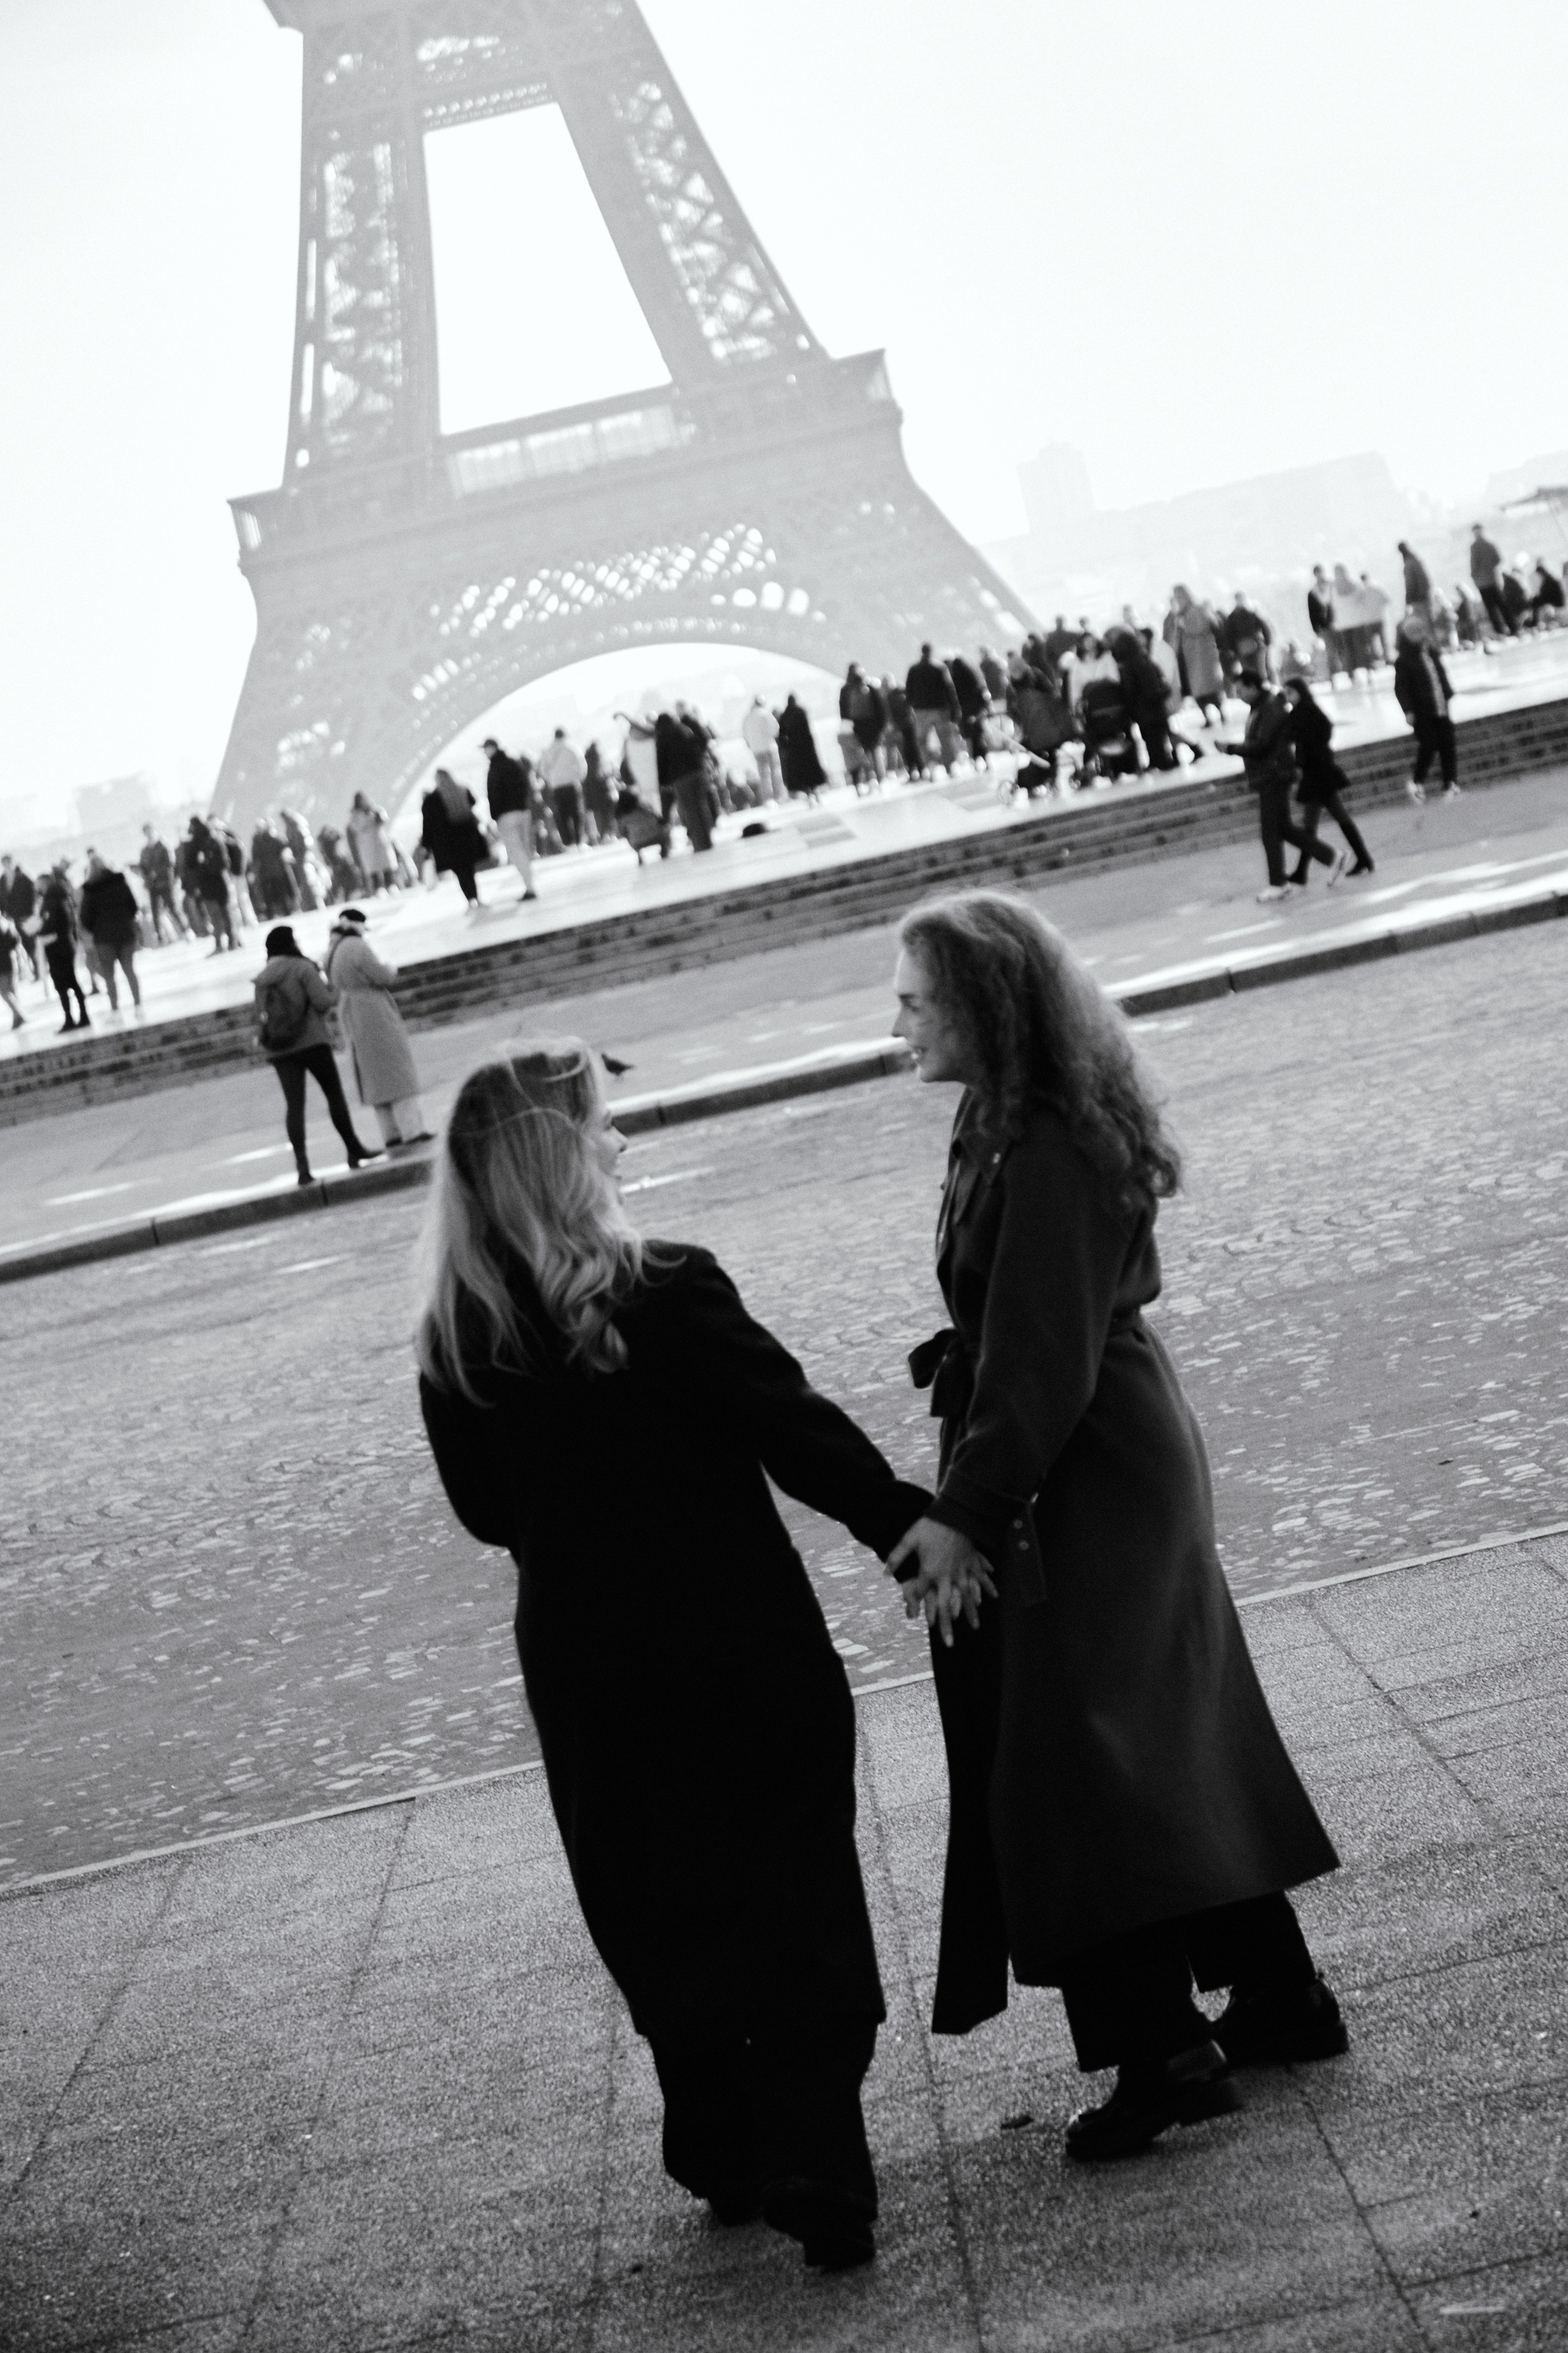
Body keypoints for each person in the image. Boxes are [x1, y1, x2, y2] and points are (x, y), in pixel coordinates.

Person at [416, 1043, 928, 2268]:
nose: (619, 1143)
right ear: (559, 1155)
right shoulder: (668, 1286)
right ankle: (817, 2152)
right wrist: (902, 1525)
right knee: (790, 1882)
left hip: (592, 1669)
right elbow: (787, 1426)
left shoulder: (453, 1341)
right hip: (739, 1642)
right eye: (601, 1126)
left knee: (658, 1899)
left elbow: (486, 1513)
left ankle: (722, 2146)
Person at [884, 892, 1345, 2162]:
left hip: (1079, 1472)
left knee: (1071, 1755)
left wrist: (961, 1517)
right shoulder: (1004, 1121)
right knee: (1150, 1722)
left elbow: (1035, 1362)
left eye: (915, 1000)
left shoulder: (1039, 1146)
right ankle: (1276, 1994)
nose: (896, 1024)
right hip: (1089, 1453)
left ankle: (1160, 2047)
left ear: (983, 1004)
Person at [254, 924, 380, 1182]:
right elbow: (324, 1002)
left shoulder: (263, 978)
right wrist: (332, 988)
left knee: (294, 1106)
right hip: (312, 1042)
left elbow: (261, 1015)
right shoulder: (302, 968)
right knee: (334, 1094)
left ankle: (303, 1167)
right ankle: (353, 1149)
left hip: (280, 1050)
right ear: (290, 943)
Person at [1221, 671, 1339, 901]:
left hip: (1274, 775)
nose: (1239, 696)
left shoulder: (1269, 708)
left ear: (1254, 687)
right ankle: (1331, 857)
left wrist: (1231, 749)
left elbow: (1263, 745)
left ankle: (1278, 883)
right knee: (1283, 828)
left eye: (1241, 690)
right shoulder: (1261, 707)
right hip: (1270, 774)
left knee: (1270, 831)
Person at [323, 908, 431, 1149]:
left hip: (350, 1011)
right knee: (396, 1068)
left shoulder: (331, 951)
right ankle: (413, 1130)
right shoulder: (357, 947)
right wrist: (390, 969)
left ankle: (390, 1134)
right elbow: (381, 975)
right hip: (372, 1010)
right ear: (355, 925)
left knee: (372, 1075)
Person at [1283, 680, 1373, 880]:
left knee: (1320, 823)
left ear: (1299, 692)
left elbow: (1290, 736)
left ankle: (1363, 859)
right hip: (1321, 772)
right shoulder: (1311, 709)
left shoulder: (1300, 713)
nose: (1288, 697)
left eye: (1290, 693)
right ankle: (1363, 859)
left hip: (1316, 775)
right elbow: (1325, 730)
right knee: (1319, 823)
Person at [1393, 614, 1459, 802]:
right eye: (1413, 632)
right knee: (1429, 745)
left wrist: (1447, 693)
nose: (1419, 634)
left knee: (1448, 745)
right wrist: (1408, 711)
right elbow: (1401, 688)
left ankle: (1450, 784)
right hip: (1422, 711)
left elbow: (1440, 674)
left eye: (1420, 630)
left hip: (1440, 706)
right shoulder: (1404, 660)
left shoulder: (1431, 652)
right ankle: (1417, 781)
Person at [77, 853, 144, 1013]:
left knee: (109, 975)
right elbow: (133, 907)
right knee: (129, 970)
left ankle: (115, 1007)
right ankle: (138, 1003)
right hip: (125, 933)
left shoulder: (90, 891)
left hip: (104, 937)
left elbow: (85, 918)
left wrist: (96, 929)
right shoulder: (121, 883)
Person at [421, 768, 489, 910]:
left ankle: (471, 900)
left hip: (449, 843)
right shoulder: (462, 790)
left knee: (461, 872)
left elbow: (429, 824)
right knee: (470, 870)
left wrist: (426, 845)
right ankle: (476, 897)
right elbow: (473, 803)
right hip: (468, 838)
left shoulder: (433, 799)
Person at [481, 738, 538, 898]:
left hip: (507, 815)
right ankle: (530, 884)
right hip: (523, 811)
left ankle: (530, 887)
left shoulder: (495, 768)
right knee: (525, 849)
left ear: (491, 749)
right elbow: (526, 784)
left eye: (486, 749)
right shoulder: (513, 763)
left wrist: (496, 815)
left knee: (515, 852)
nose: (485, 753)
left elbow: (494, 794)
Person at [1112, 632, 1177, 771]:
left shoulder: (1128, 666)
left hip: (1144, 709)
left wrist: (1130, 707)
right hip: (1156, 705)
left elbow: (1130, 690)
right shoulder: (1144, 660)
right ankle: (1162, 759)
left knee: (1150, 737)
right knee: (1159, 736)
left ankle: (1160, 761)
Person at [1163, 587, 1226, 728]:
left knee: (1211, 689)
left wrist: (1185, 625)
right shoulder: (1178, 614)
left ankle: (1221, 713)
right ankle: (1206, 717)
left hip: (1205, 655)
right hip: (1191, 657)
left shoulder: (1199, 609)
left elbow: (1203, 627)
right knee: (1197, 691)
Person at [37, 863, 89, 1032]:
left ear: (45, 884)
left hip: (57, 947)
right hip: (66, 944)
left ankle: (72, 1017)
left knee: (64, 983)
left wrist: (39, 928)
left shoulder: (51, 901)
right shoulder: (63, 898)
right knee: (71, 981)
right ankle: (81, 1015)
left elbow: (52, 924)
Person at [654, 710, 714, 850]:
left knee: (690, 812)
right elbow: (702, 742)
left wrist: (663, 782)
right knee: (702, 807)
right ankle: (708, 839)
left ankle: (700, 844)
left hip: (681, 779)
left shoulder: (662, 737)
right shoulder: (685, 729)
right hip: (699, 772)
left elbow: (661, 762)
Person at [905, 643, 963, 775]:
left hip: (921, 711)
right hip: (940, 709)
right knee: (945, 739)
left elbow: (909, 691)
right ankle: (950, 767)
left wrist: (911, 708)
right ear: (931, 652)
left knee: (922, 741)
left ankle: (930, 765)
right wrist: (955, 708)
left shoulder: (914, 669)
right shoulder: (940, 668)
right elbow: (950, 689)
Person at [186, 818, 238, 952]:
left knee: (219, 915)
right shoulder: (213, 843)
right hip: (217, 883)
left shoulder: (210, 844)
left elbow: (223, 862)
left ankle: (226, 944)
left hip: (211, 884)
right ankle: (231, 942)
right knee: (224, 914)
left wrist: (205, 866)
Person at [538, 728, 588, 849]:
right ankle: (579, 841)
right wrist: (579, 778)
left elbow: (543, 770)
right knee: (577, 814)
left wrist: (552, 781)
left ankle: (569, 843)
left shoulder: (548, 751)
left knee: (562, 816)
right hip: (572, 784)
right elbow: (582, 765)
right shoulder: (572, 748)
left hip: (557, 788)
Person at [839, 665, 888, 783]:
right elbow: (880, 708)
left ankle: (870, 778)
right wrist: (882, 725)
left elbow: (844, 712)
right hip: (873, 725)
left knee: (864, 753)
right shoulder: (870, 688)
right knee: (876, 751)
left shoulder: (846, 690)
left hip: (858, 726)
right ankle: (881, 778)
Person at [138, 826, 185, 942]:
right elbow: (143, 868)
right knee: (155, 912)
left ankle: (186, 930)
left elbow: (171, 863)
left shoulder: (164, 846)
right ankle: (161, 937)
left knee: (173, 908)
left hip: (166, 883)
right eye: (146, 833)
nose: (149, 835)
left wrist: (157, 873)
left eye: (150, 832)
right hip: (153, 886)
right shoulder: (145, 851)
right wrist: (146, 876)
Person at [777, 695, 827, 803]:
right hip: (806, 747)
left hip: (794, 750)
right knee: (811, 771)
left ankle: (809, 795)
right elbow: (808, 729)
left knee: (801, 774)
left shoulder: (785, 716)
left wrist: (787, 747)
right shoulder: (801, 711)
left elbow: (781, 736)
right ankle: (815, 792)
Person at [1468, 525, 1515, 640]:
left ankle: (1501, 631)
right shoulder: (1489, 544)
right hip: (1492, 580)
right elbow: (1499, 560)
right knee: (1501, 605)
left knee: (1492, 608)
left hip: (1484, 582)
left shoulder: (1476, 547)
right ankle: (1513, 628)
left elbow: (1474, 565)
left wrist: (1476, 576)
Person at [346, 793, 398, 894]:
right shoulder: (355, 815)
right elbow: (355, 828)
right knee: (373, 868)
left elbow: (384, 819)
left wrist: (377, 815)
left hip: (380, 841)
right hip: (367, 845)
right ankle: (379, 888)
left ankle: (391, 885)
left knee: (387, 864)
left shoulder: (376, 809)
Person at [0, 855, 41, 978]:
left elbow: (33, 894)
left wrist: (33, 911)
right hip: (14, 919)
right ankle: (34, 970)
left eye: (9, 862)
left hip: (28, 916)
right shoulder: (2, 881)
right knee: (24, 944)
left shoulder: (23, 877)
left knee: (33, 943)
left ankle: (39, 968)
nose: (7, 865)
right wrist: (4, 913)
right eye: (5, 863)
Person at [948, 652, 990, 766]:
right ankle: (986, 760)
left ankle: (975, 761)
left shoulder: (954, 681)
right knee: (979, 737)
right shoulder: (974, 677)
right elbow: (982, 693)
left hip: (964, 714)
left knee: (969, 739)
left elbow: (953, 699)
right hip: (976, 711)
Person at [741, 695, 783, 801]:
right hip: (769, 747)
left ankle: (768, 798)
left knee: (764, 775)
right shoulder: (766, 714)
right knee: (775, 772)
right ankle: (778, 796)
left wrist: (751, 745)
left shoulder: (748, 717)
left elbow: (745, 735)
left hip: (756, 750)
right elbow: (776, 730)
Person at [582, 741, 616, 844]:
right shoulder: (599, 759)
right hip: (603, 792)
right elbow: (605, 774)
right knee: (608, 814)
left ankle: (603, 835)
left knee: (598, 816)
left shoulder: (586, 762)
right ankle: (610, 834)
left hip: (592, 795)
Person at [0, 916, 25, 1028]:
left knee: (5, 992)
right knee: (13, 991)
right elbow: (16, 940)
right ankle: (17, 1019)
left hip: (2, 965)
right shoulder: (7, 923)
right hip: (11, 959)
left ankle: (20, 1014)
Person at [1398, 541, 1432, 621]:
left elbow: (1410, 585)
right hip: (1424, 596)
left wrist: (1408, 600)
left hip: (1419, 599)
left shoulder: (1409, 564)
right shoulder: (1416, 561)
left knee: (1422, 622)